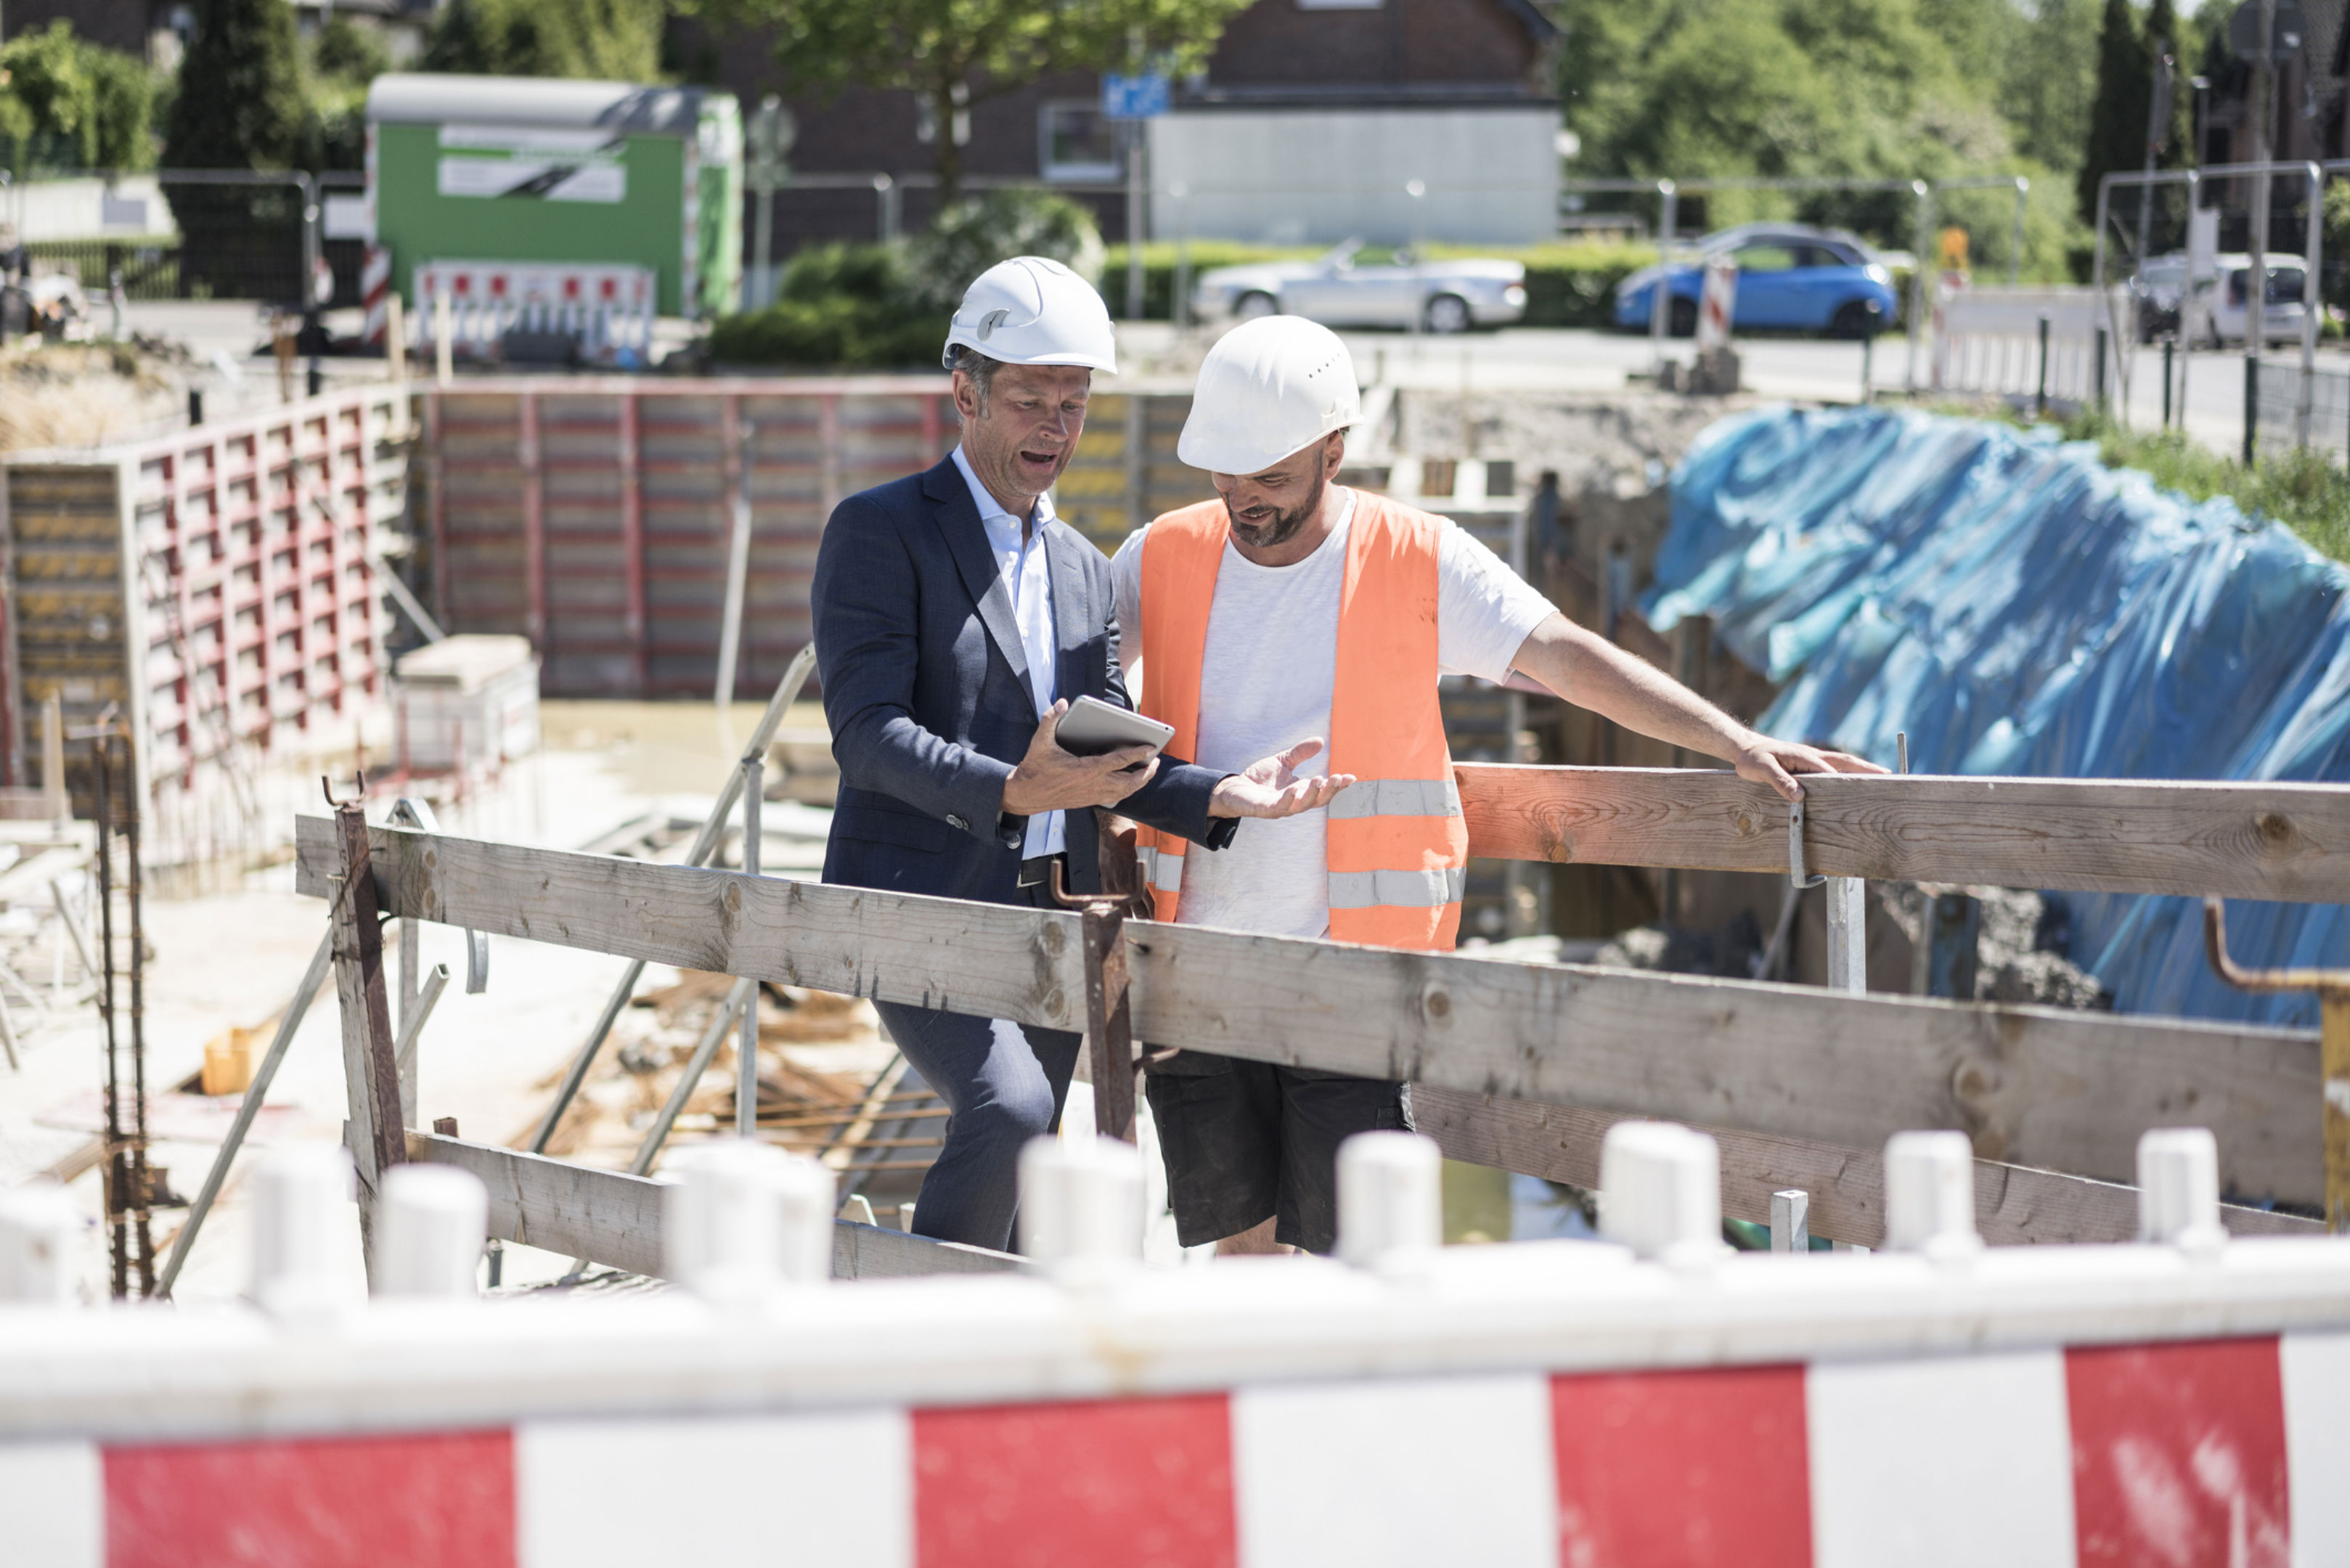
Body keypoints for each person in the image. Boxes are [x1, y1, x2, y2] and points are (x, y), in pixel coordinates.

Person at [1114, 315, 1885, 1256]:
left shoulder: (1413, 557)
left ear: (1333, 450)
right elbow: (1067, 691)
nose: (1244, 503)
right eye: (1225, 476)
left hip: (1353, 981)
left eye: (1270, 477)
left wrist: (1730, 740)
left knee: (1354, 1260)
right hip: (1202, 973)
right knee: (1240, 1253)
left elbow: (1563, 654)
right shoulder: (1159, 554)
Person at [810, 258, 1337, 1254]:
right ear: (963, 392)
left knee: (1032, 1148)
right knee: (1004, 1113)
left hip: (1052, 913)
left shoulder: (1086, 571)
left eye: (1073, 403)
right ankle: (917, 1340)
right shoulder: (879, 532)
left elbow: (1102, 739)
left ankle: (984, 1371)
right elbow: (865, 734)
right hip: (918, 901)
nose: (1053, 425)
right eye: (1027, 401)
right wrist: (1010, 788)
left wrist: (1219, 794)